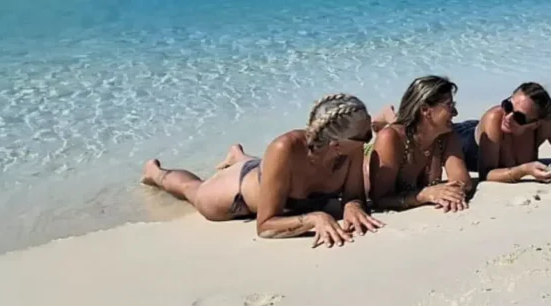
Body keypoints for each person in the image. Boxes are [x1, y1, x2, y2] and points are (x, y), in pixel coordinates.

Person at [141, 93, 384, 247]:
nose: (369, 136)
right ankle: (155, 172)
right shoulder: (285, 149)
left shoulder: (350, 149)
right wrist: (314, 218)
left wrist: (353, 206)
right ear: (336, 143)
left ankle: (237, 154)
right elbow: (265, 225)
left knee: (264, 166)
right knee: (193, 191)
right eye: (364, 134)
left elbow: (354, 196)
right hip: (237, 195)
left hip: (266, 171)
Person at [367, 76, 474, 212]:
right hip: (371, 152)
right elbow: (379, 198)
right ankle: (383, 117)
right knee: (390, 131)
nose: (455, 113)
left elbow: (463, 181)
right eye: (449, 105)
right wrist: (425, 195)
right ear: (425, 110)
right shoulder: (391, 138)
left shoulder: (445, 135)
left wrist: (453, 192)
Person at [455, 81, 551, 184]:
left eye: (519, 117)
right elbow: (486, 174)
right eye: (507, 106)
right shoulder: (494, 119)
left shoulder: (546, 123)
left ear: (535, 124)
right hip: (462, 137)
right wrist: (524, 170)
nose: (507, 117)